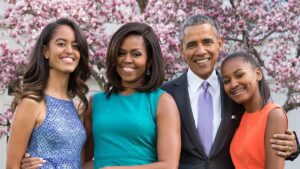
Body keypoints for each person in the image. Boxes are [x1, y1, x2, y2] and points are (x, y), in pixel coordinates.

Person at [161, 14, 299, 169]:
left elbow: (261, 122)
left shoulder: (237, 91)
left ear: (220, 44)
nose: (201, 51)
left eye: (207, 42)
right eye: (192, 44)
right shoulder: (165, 94)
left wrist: (293, 147)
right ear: (180, 50)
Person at [83, 22, 181, 169]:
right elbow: (82, 160)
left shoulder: (162, 101)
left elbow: (169, 165)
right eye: (121, 53)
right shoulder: (96, 102)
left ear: (149, 61)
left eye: (136, 54)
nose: (127, 59)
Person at [6, 18, 91, 169]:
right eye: (61, 44)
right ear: (46, 51)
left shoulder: (79, 108)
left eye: (76, 46)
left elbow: (81, 163)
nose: (70, 51)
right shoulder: (32, 102)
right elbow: (12, 166)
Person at [221, 51, 287, 169]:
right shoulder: (241, 117)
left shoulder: (274, 114)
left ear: (258, 74)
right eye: (227, 81)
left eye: (239, 75)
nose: (233, 84)